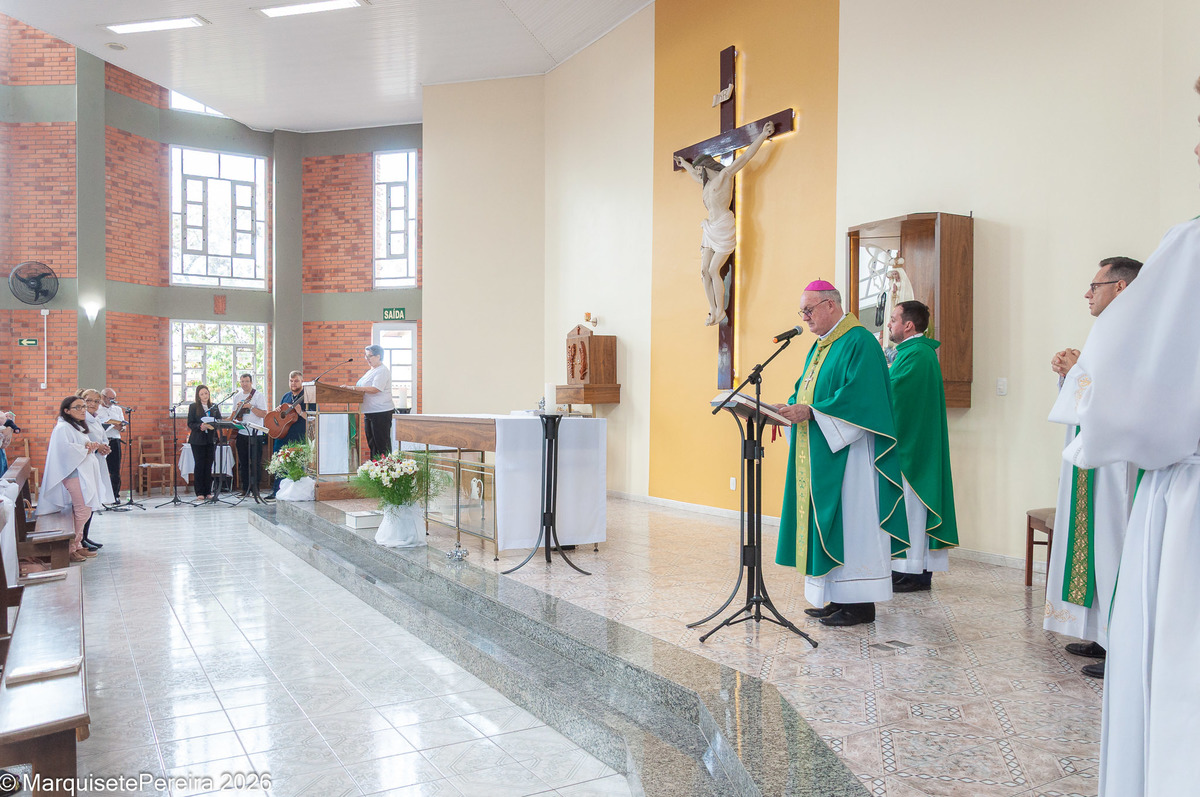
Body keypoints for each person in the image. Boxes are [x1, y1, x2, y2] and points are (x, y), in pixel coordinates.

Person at [1062, 77, 1200, 797]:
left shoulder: (1192, 245)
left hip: (1186, 496)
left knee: (1178, 683)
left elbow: (1141, 403)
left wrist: (1088, 399)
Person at [772, 280, 909, 627]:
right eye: (802, 311)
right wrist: (788, 408)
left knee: (854, 524)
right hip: (823, 448)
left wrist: (811, 412)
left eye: (808, 310)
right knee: (831, 525)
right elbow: (807, 390)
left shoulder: (859, 341)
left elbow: (862, 398)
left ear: (830, 305)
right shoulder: (821, 346)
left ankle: (860, 605)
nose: (804, 317)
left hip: (853, 456)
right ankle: (837, 597)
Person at [1045, 257, 1142, 679]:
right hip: (1095, 459)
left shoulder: (1136, 329)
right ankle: (1102, 634)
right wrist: (1071, 372)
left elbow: (1123, 392)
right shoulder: (1111, 328)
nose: (1087, 294)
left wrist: (1077, 372)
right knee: (1097, 543)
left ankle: (1123, 644)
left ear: (1120, 287)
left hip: (1117, 463)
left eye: (1095, 285)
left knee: (1113, 543)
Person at [885, 300, 958, 592]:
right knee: (910, 508)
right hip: (913, 441)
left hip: (913, 447)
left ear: (908, 325)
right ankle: (909, 569)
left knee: (913, 507)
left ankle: (914, 572)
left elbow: (896, 394)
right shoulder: (913, 352)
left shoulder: (917, 354)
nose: (889, 324)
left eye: (893, 319)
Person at [674, 120, 774, 326]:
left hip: (722, 225)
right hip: (709, 228)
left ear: (705, 166)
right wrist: (684, 163)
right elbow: (692, 174)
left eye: (699, 169)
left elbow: (745, 157)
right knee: (704, 271)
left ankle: (720, 310)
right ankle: (712, 308)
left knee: (713, 270)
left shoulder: (724, 176)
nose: (698, 173)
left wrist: (763, 136)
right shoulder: (705, 185)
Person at [37, 396, 107, 562]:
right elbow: (65, 450)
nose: (83, 410)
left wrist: (90, 446)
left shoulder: (75, 426)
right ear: (66, 410)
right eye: (78, 407)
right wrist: (86, 448)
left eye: (84, 406)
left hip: (82, 472)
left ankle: (77, 545)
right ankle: (69, 548)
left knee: (84, 509)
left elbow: (78, 446)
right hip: (74, 474)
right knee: (83, 510)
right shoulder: (62, 428)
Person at [267, 370, 315, 498]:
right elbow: (282, 415)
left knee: (296, 465)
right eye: (291, 381)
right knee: (278, 462)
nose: (293, 383)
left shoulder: (308, 397)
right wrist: (278, 411)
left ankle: (295, 493)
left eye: (296, 381)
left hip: (298, 436)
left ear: (302, 382)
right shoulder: (286, 396)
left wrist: (300, 412)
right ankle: (277, 491)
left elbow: (313, 418)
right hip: (283, 435)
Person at [344, 345, 394, 461]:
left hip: (381, 411)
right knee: (372, 444)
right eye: (366, 356)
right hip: (370, 411)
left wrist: (353, 388)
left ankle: (386, 468)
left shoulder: (382, 370)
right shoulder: (371, 371)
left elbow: (376, 388)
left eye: (369, 356)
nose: (367, 359)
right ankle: (374, 467)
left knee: (381, 444)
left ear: (378, 356)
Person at [230, 373, 268, 496]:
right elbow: (234, 415)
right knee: (243, 462)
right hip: (242, 433)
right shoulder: (237, 396)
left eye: (246, 381)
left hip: (256, 433)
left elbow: (264, 414)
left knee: (255, 462)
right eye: (242, 381)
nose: (244, 384)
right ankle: (245, 489)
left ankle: (255, 489)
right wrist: (237, 411)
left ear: (251, 382)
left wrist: (250, 406)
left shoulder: (258, 396)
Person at [187, 385, 221, 501]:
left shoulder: (214, 407)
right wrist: (200, 426)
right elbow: (190, 423)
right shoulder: (193, 407)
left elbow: (219, 420)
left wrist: (213, 424)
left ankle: (208, 491)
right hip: (197, 440)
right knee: (199, 465)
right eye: (202, 394)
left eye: (206, 393)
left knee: (208, 465)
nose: (205, 396)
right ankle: (200, 492)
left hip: (211, 439)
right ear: (198, 396)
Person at [98, 387, 126, 500]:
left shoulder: (117, 410)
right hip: (101, 442)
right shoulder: (97, 409)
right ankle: (101, 496)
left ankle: (115, 496)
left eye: (114, 398)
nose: (112, 401)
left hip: (114, 441)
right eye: (110, 398)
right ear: (103, 397)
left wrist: (121, 427)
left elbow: (123, 428)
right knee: (99, 469)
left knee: (115, 470)